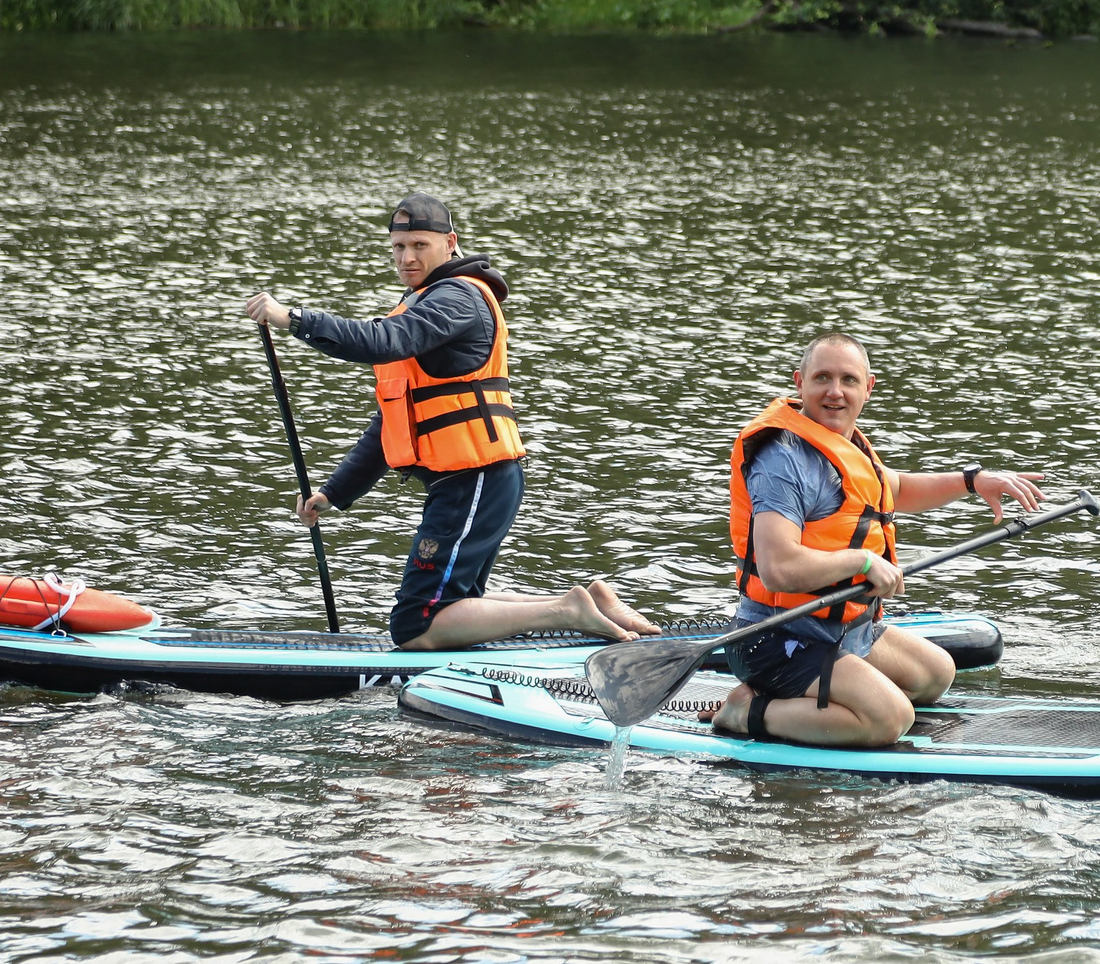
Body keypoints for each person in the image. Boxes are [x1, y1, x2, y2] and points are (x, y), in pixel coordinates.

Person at [242, 192, 656, 650]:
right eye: (399, 247)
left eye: (419, 245)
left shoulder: (458, 298)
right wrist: (334, 493)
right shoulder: (421, 301)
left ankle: (567, 612)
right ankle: (589, 602)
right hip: (465, 482)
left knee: (415, 625)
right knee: (451, 605)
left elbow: (383, 340)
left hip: (475, 479)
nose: (407, 257)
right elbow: (391, 425)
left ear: (450, 243)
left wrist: (295, 318)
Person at [715, 332, 1044, 748]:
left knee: (935, 674)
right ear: (799, 383)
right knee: (889, 719)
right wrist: (863, 563)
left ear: (868, 388)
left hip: (845, 629)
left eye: (848, 380)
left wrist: (973, 481)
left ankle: (818, 699)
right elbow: (779, 569)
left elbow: (898, 487)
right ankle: (744, 713)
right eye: (822, 378)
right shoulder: (782, 461)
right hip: (775, 638)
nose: (835, 392)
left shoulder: (846, 446)